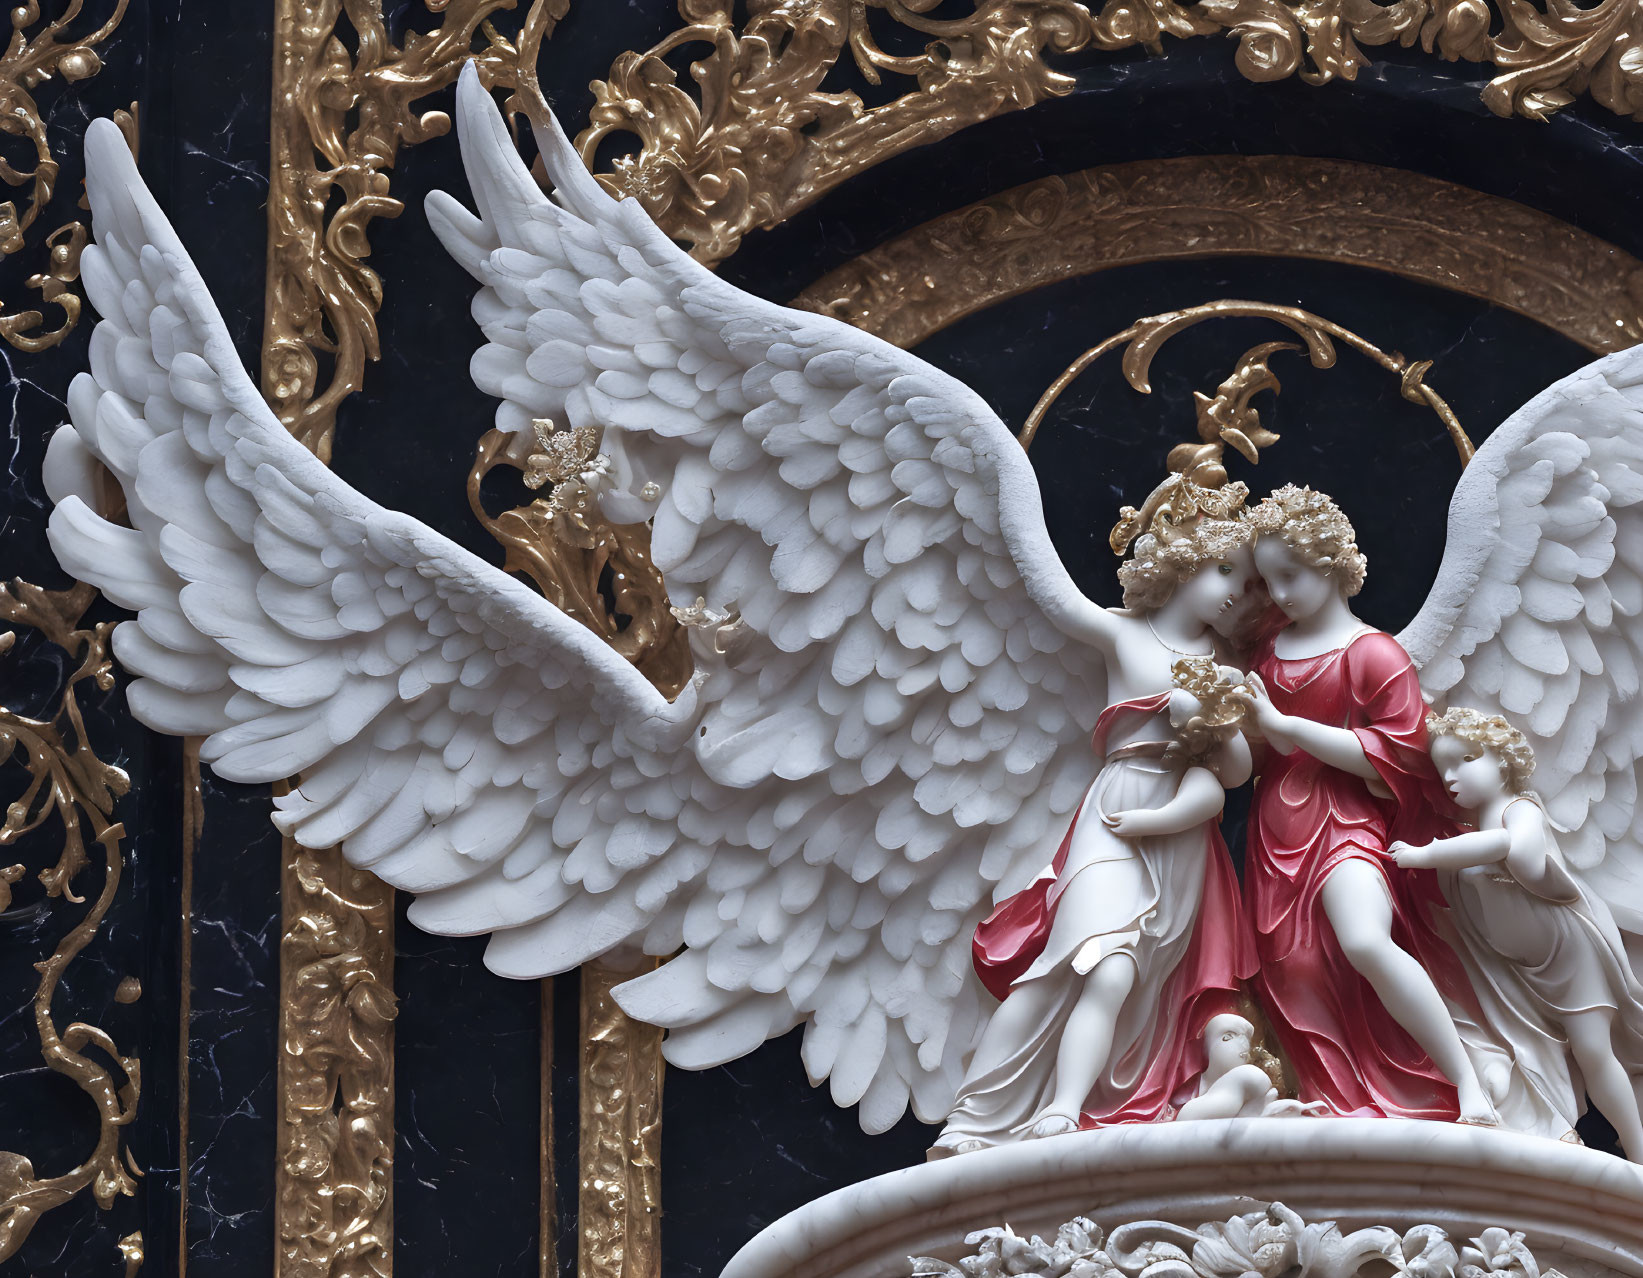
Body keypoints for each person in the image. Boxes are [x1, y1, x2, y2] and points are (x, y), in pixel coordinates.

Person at [932, 457, 1258, 1155]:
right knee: (1074, 963)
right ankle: (979, 1116)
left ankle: (1079, 1111)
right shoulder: (1122, 636)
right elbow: (1038, 590)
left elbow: (1235, 772)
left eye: (1251, 581)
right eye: (1228, 571)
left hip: (1180, 835)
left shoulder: (1230, 670)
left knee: (1134, 982)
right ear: (1182, 564)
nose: (1241, 592)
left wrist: (1214, 720)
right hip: (1114, 815)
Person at [1235, 484, 1497, 1124]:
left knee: (1364, 940)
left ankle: (1466, 1082)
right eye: (1269, 581)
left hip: (1346, 819)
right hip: (1275, 828)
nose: (1280, 594)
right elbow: (1258, 757)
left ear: (1330, 564)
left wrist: (1286, 727)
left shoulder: (1373, 653)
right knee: (1291, 966)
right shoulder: (1269, 655)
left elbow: (1402, 755)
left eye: (1290, 576)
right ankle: (1330, 1096)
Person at [1394, 707, 1643, 1159]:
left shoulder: (1520, 809)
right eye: (1442, 768)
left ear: (1503, 759)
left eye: (1465, 759)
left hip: (1569, 954)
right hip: (1524, 969)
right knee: (1560, 1051)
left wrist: (1429, 854)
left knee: (1593, 1050)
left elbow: (1525, 859)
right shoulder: (1471, 831)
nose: (1451, 777)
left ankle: (1638, 1150)